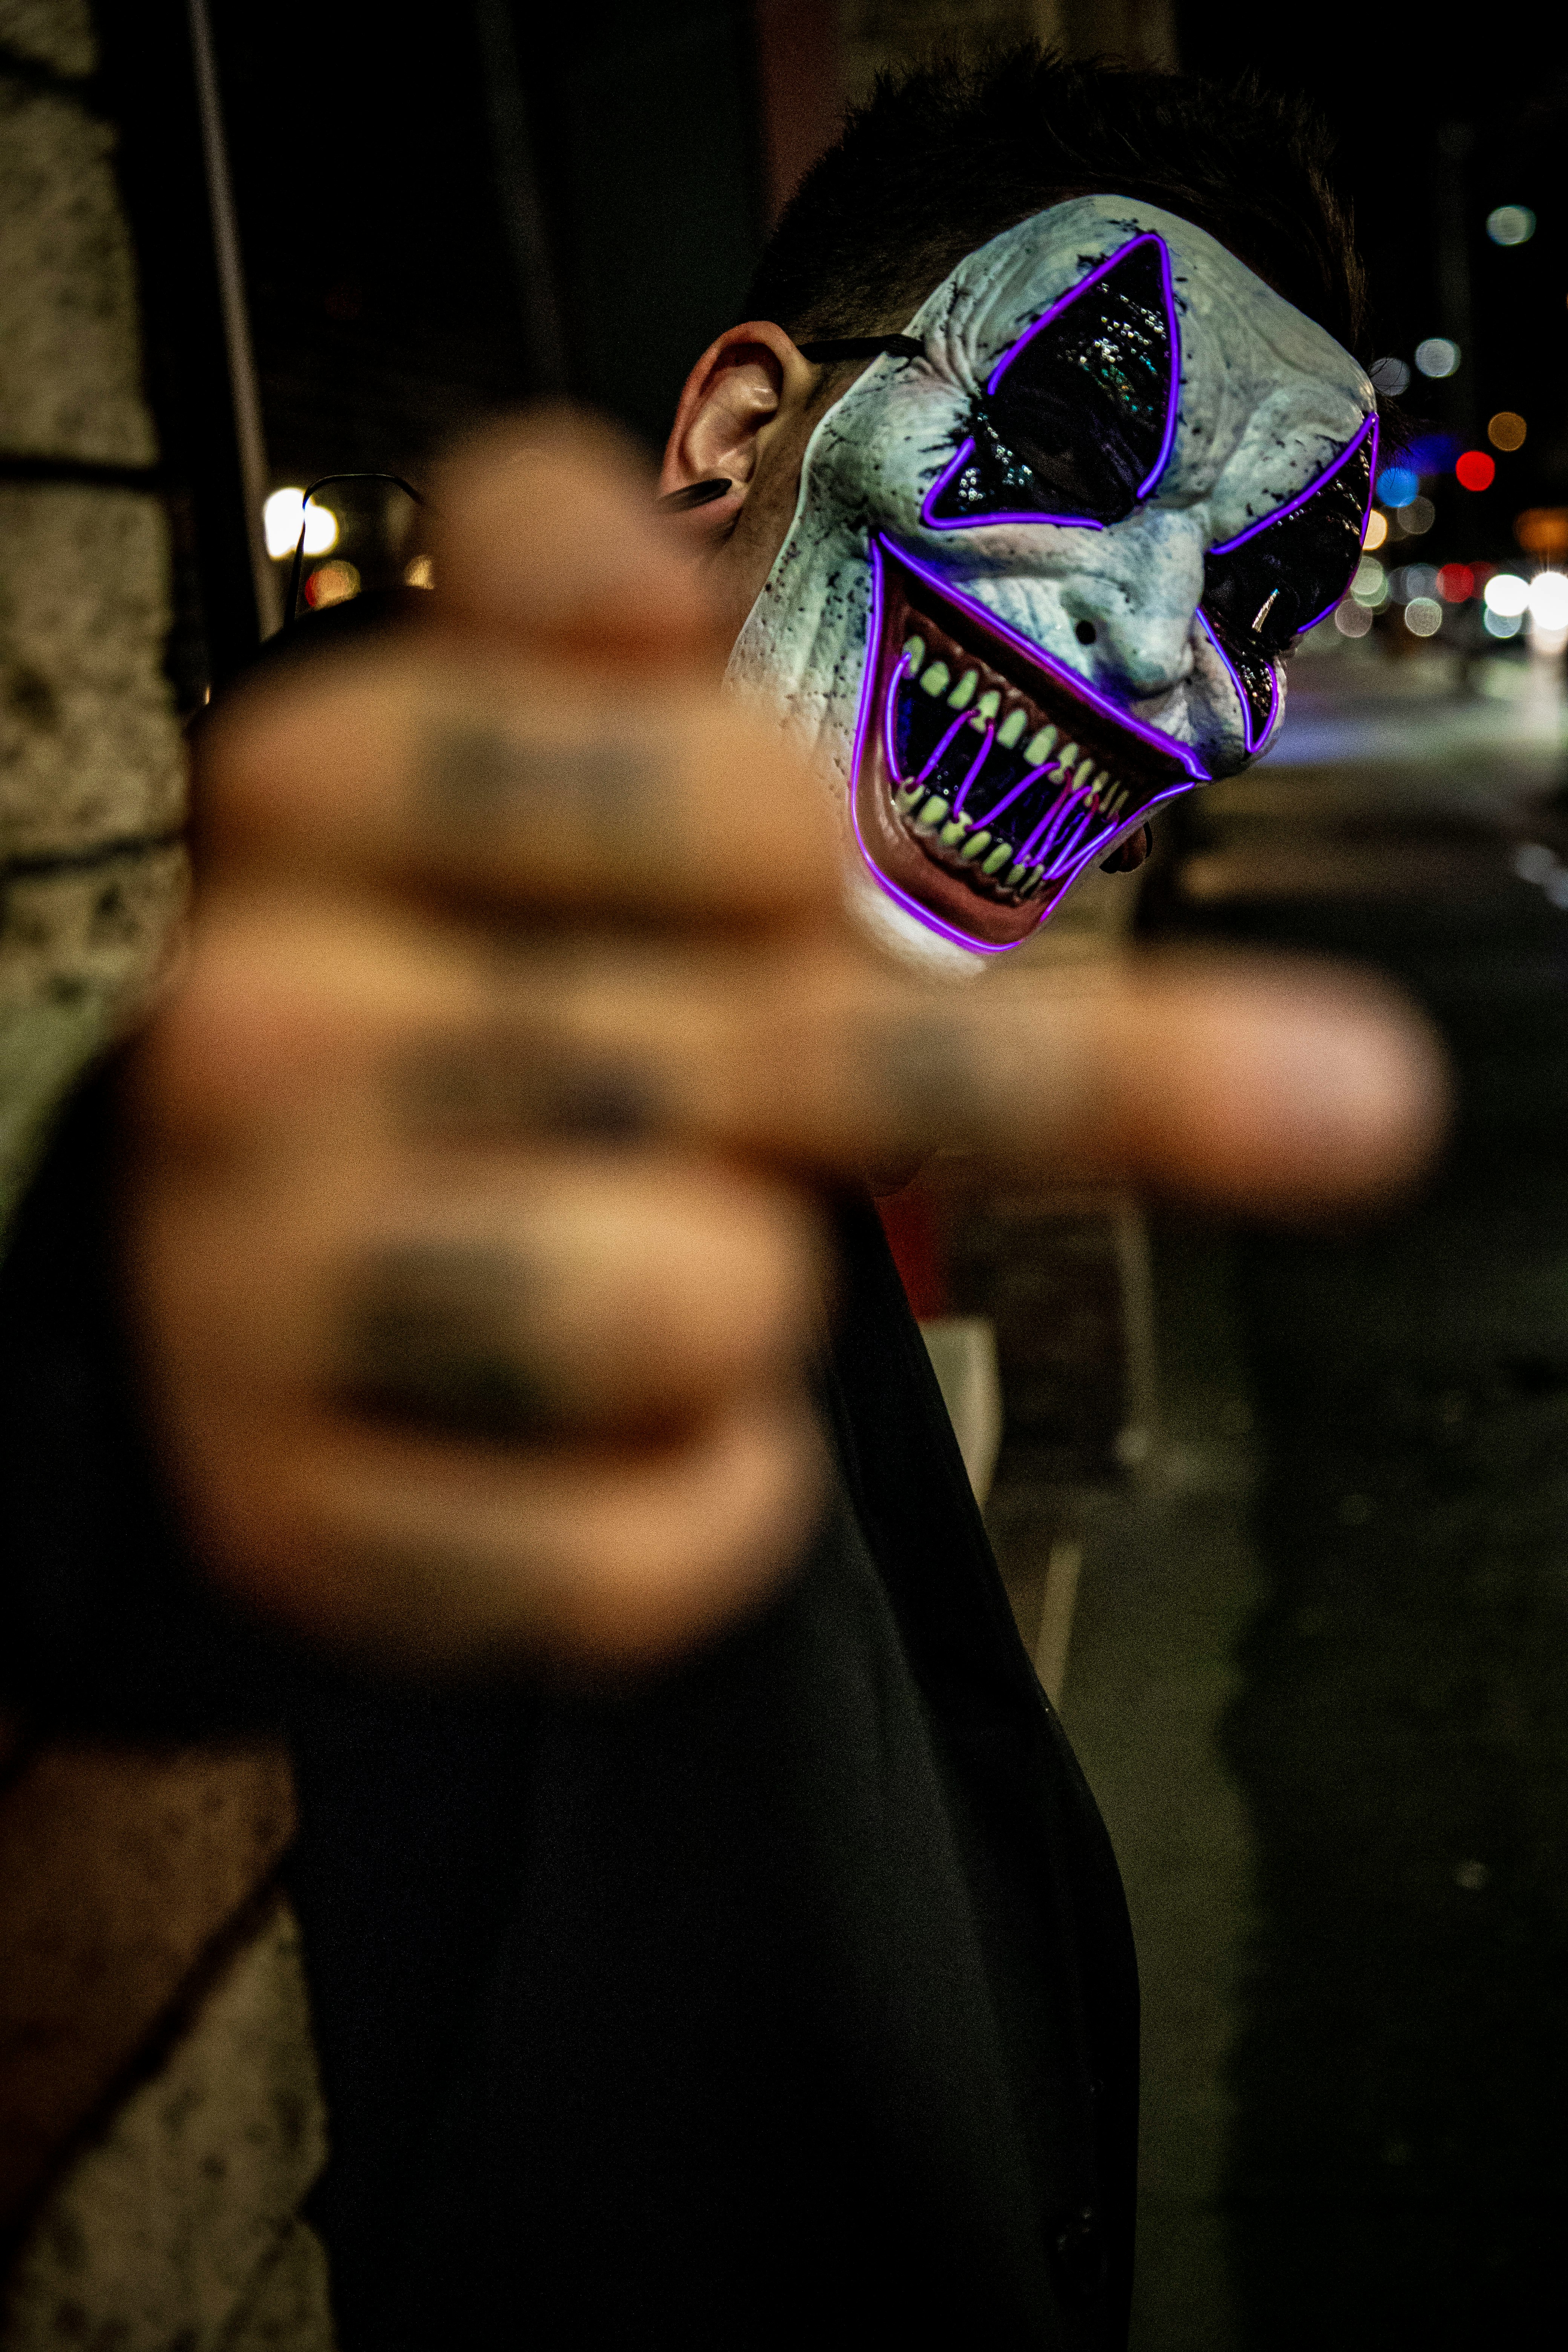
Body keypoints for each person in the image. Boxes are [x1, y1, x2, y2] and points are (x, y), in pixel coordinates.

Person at [0, 47, 1441, 2352]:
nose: (1176, 663)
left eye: (1264, 585)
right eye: (1076, 443)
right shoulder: (426, 1012)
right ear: (736, 429)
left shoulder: (760, 1148)